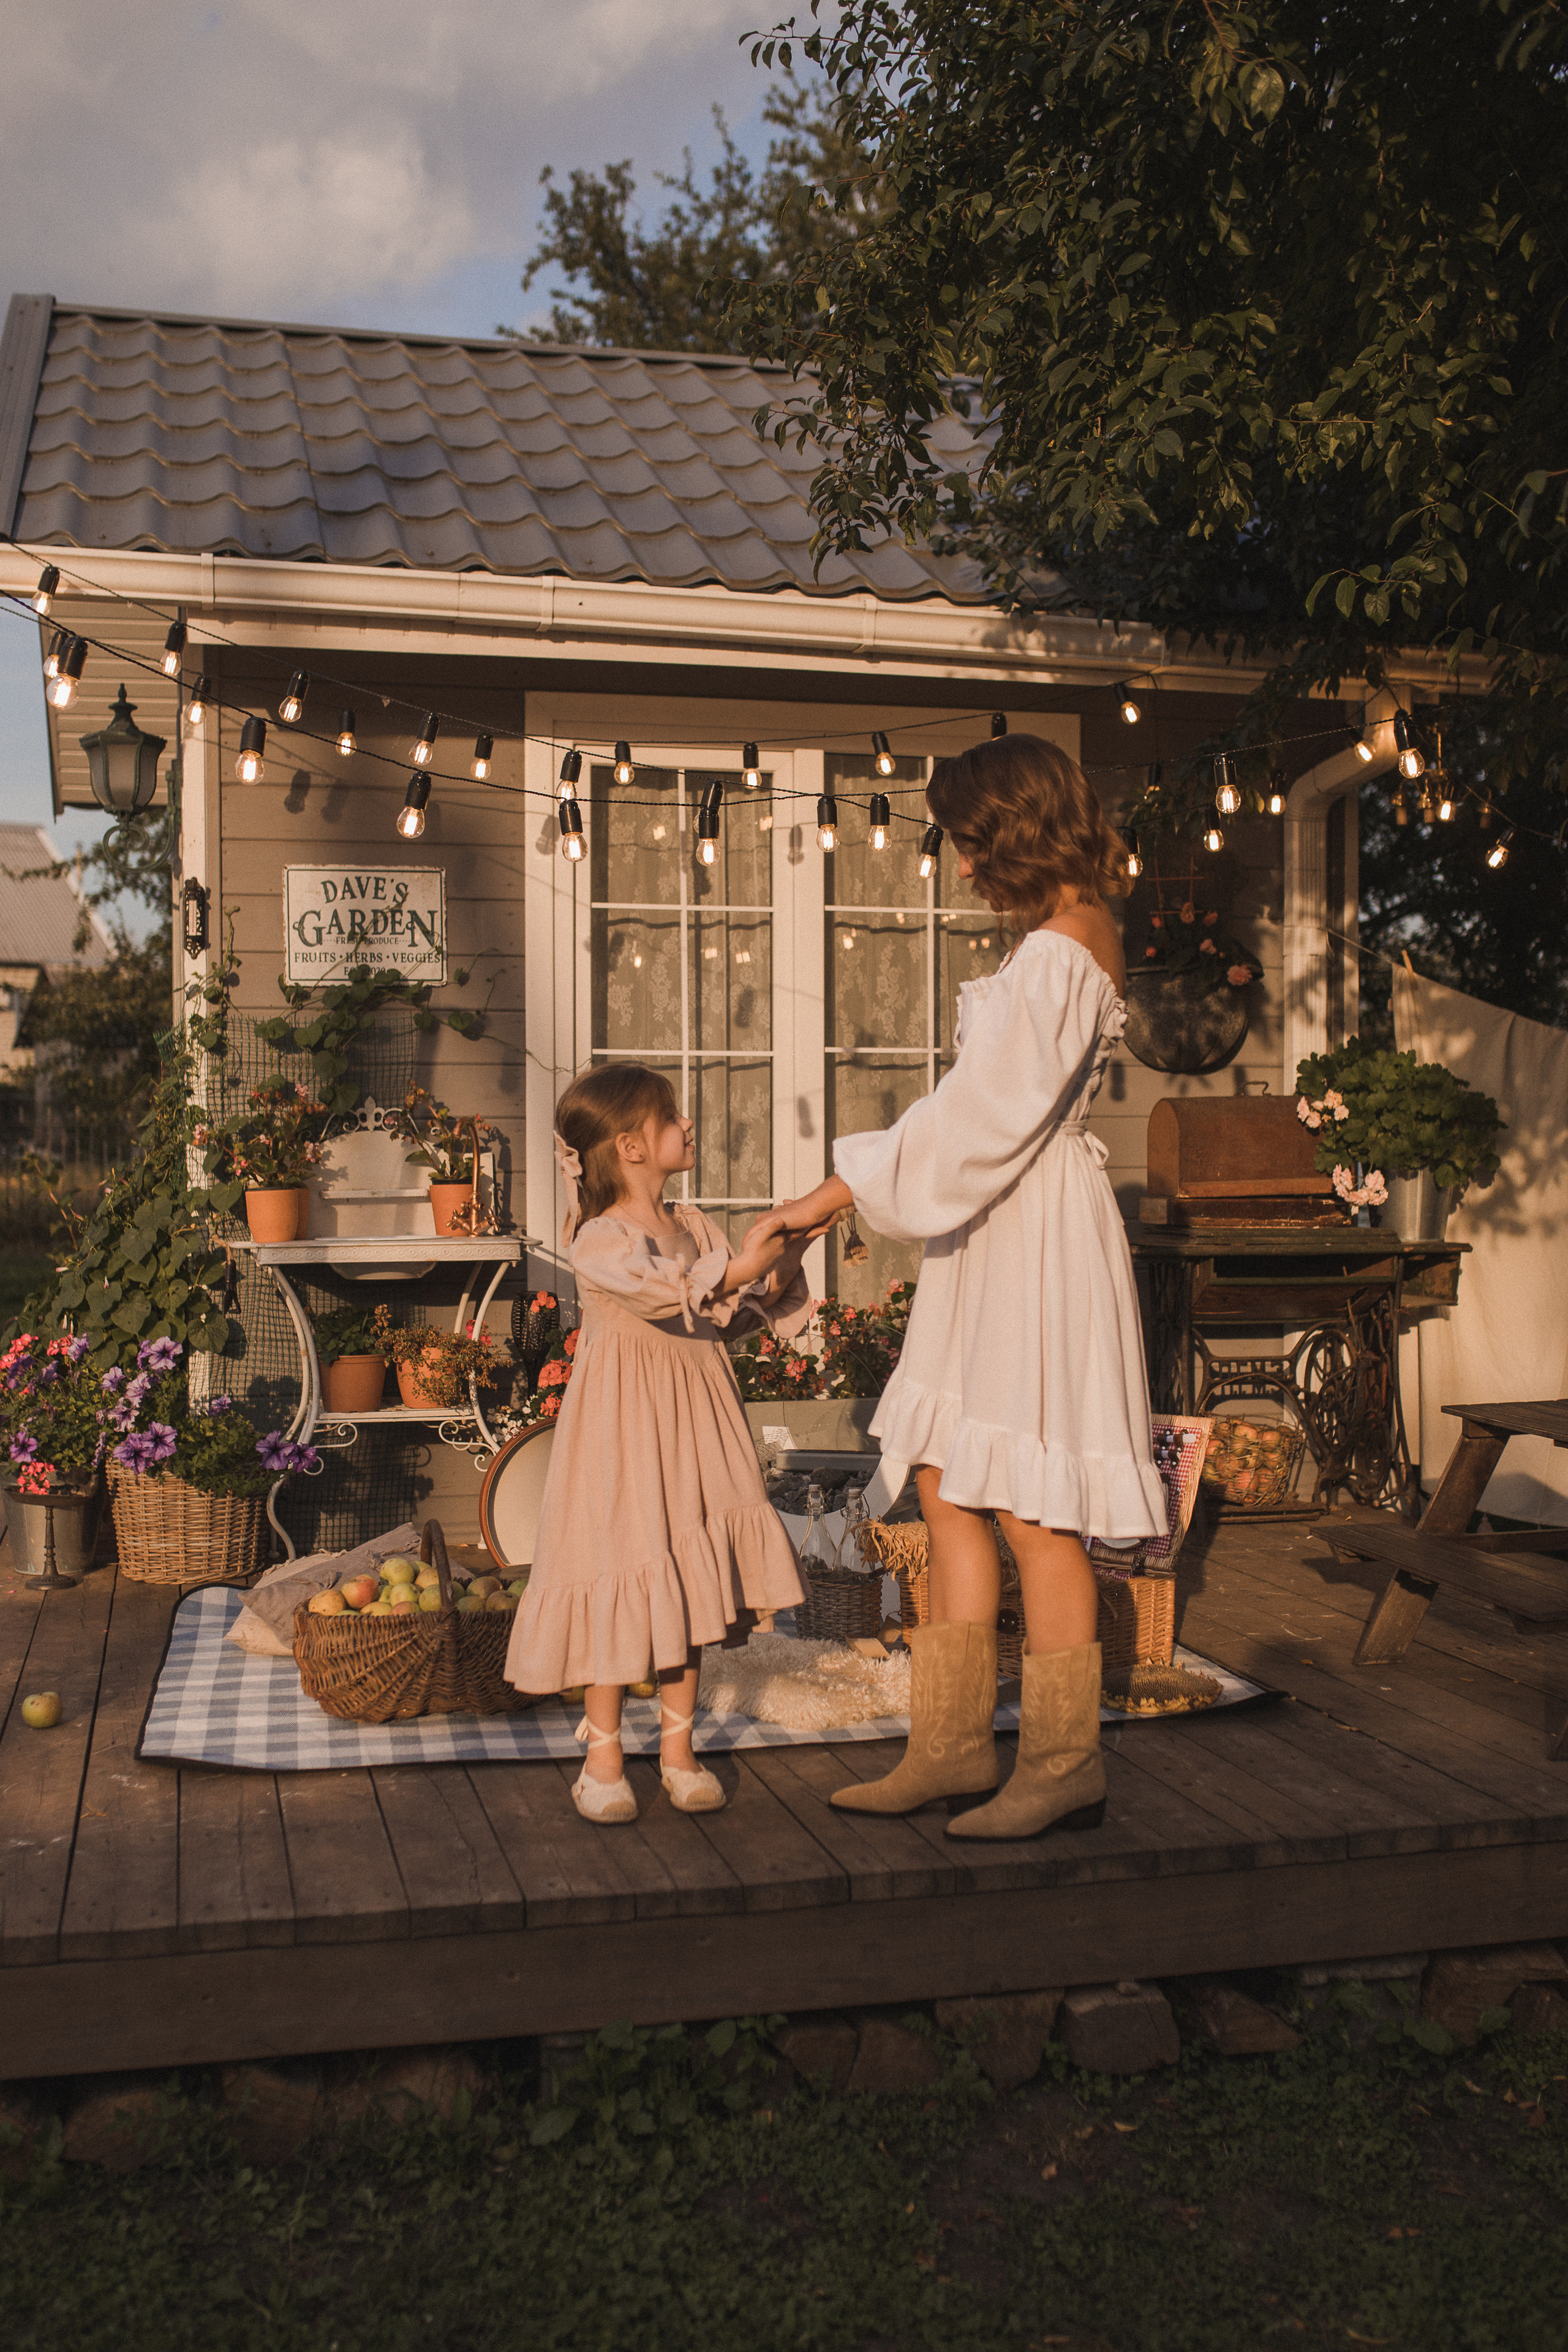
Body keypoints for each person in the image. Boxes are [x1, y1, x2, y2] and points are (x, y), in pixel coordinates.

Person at [763, 734, 1165, 1840]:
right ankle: (947, 1748)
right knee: (947, 1485)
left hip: (1034, 1236)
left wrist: (832, 1192)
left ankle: (1063, 1766)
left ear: (1020, 830)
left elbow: (980, 1119)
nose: (967, 864)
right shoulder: (1049, 943)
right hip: (995, 1229)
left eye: (975, 842)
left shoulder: (1062, 953)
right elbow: (973, 1117)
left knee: (1034, 1509)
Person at [504, 1061, 821, 1825]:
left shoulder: (695, 1228)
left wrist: (783, 1259)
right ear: (631, 1146)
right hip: (624, 1430)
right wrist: (749, 1259)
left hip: (699, 1422)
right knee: (619, 1564)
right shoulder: (599, 1239)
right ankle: (604, 1757)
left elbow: (723, 1316)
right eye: (671, 1116)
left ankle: (678, 1751)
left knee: (690, 1573)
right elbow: (666, 1294)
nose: (687, 1124)